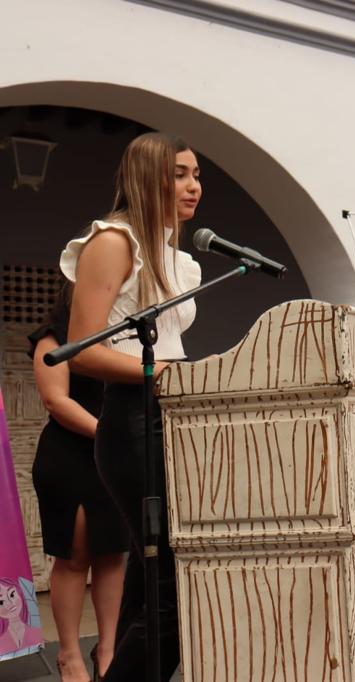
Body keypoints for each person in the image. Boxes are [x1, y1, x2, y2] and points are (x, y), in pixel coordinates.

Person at [62, 132, 202, 681]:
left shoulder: (176, 258)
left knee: (151, 586)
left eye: (197, 177)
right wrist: (165, 373)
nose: (194, 187)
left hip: (172, 416)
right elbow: (82, 349)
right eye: (180, 175)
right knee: (172, 589)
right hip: (133, 416)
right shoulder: (115, 241)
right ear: (149, 177)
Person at [29, 286, 127, 681]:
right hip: (69, 458)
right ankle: (69, 656)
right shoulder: (53, 338)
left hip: (116, 458)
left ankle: (107, 650)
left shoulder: (124, 336)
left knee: (113, 555)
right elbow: (56, 400)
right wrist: (110, 433)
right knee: (74, 557)